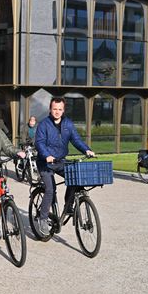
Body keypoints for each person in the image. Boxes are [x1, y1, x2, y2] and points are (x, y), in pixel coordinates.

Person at [35, 97, 95, 237]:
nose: (57, 112)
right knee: (50, 189)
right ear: (50, 109)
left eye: (60, 109)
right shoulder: (44, 124)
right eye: (54, 109)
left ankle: (68, 207)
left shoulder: (67, 123)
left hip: (60, 160)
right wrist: (46, 155)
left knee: (75, 179)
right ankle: (42, 219)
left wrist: (86, 150)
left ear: (63, 110)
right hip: (45, 163)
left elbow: (76, 139)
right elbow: (40, 142)